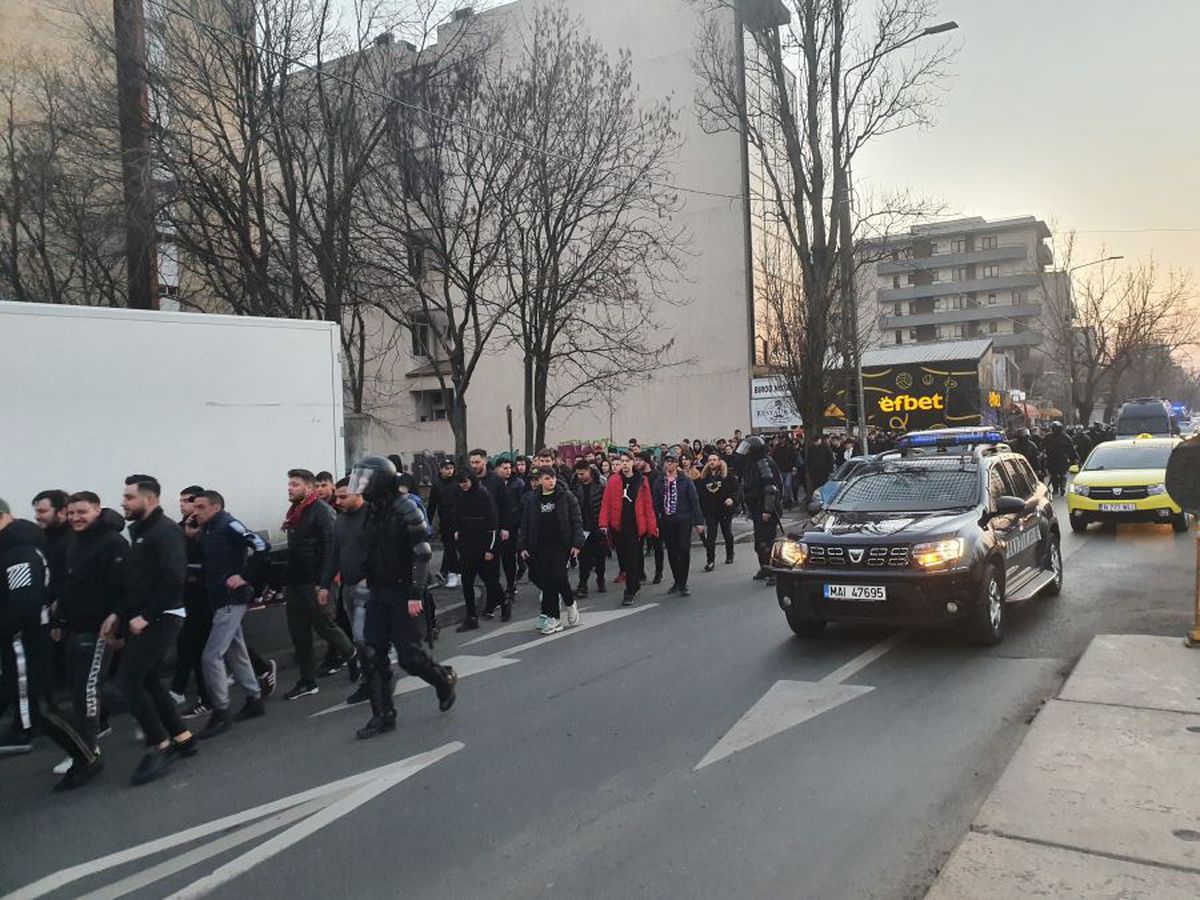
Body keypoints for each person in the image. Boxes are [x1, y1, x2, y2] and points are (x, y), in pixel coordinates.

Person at [0, 497, 107, 790]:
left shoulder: (18, 552)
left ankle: (85, 757)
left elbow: (25, 605)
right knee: (36, 706)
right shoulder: (12, 548)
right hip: (20, 641)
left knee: (39, 708)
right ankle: (85, 756)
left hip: (23, 642)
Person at [347, 456, 457, 740]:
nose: (361, 483)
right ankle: (383, 715)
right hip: (377, 589)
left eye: (366, 477)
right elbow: (371, 548)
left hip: (402, 591)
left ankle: (442, 679)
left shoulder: (406, 507)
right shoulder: (372, 510)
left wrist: (415, 593)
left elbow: (422, 553)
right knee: (372, 653)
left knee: (409, 657)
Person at [103, 475, 198, 785]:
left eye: (129, 497)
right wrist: (119, 613)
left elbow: (173, 577)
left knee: (128, 680)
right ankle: (183, 738)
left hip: (164, 615)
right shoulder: (140, 531)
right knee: (148, 678)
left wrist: (147, 615)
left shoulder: (165, 531)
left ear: (150, 499)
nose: (123, 503)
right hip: (141, 616)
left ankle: (160, 744)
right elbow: (137, 580)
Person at [46, 492, 127, 781]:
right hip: (74, 627)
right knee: (81, 688)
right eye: (71, 513)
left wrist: (117, 617)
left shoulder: (112, 542)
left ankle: (86, 750)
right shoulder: (72, 541)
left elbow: (125, 586)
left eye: (82, 512)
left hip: (99, 629)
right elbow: (66, 584)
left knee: (86, 690)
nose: (76, 518)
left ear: (96, 510)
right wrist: (59, 620)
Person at [192, 491, 270, 739]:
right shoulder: (209, 530)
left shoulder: (228, 524)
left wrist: (245, 575)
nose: (196, 511)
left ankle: (221, 711)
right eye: (195, 507)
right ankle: (254, 697)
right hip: (219, 598)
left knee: (211, 656)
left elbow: (260, 545)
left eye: (201, 507)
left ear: (216, 507)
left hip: (230, 599)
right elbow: (213, 563)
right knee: (236, 650)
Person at [281, 468, 356, 701]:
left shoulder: (321, 512)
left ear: (309, 488)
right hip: (295, 581)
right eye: (289, 484)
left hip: (314, 581)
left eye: (295, 484)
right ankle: (307, 680)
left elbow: (330, 547)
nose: (290, 488)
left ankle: (355, 658)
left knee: (325, 626)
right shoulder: (295, 512)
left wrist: (323, 582)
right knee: (299, 632)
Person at [321, 477, 372, 706]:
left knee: (362, 637)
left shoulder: (374, 516)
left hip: (369, 586)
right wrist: (324, 584)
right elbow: (334, 555)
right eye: (337, 497)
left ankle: (376, 680)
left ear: (358, 494)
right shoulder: (340, 521)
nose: (338, 501)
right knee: (358, 636)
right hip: (348, 586)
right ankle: (369, 681)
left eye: (343, 497)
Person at [519, 466, 585, 634]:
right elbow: (525, 524)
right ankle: (553, 617)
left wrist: (577, 543)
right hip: (540, 546)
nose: (551, 481)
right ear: (539, 480)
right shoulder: (532, 499)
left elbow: (576, 520)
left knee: (558, 576)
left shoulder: (566, 496)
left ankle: (567, 607)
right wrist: (523, 545)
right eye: (547, 478)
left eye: (553, 478)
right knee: (547, 582)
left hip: (561, 544)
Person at [170, 485, 214, 718]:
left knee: (204, 648)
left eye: (190, 501)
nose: (183, 505)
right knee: (191, 646)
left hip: (207, 596)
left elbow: (211, 561)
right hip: (186, 597)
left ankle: (208, 699)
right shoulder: (179, 529)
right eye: (182, 500)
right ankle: (187, 691)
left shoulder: (210, 529)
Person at [599, 451, 658, 607]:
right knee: (624, 558)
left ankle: (630, 590)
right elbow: (606, 503)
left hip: (635, 526)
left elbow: (648, 505)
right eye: (622, 461)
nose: (624, 464)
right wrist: (603, 524)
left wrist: (652, 527)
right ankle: (635, 583)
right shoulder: (613, 480)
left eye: (627, 461)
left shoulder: (641, 480)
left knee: (632, 558)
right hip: (618, 525)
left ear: (633, 463)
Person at [453, 464, 506, 631]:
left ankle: (504, 603)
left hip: (483, 546)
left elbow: (492, 524)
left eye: (465, 482)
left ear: (471, 480)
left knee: (490, 581)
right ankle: (471, 617)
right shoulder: (460, 495)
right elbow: (457, 517)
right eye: (460, 483)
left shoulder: (483, 495)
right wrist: (457, 532)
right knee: (467, 582)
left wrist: (490, 549)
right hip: (467, 546)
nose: (463, 485)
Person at [653, 453, 705, 596]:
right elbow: (655, 503)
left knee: (683, 548)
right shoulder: (659, 481)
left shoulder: (686, 481)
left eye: (671, 462)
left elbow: (694, 502)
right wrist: (656, 523)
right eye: (666, 462)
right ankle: (677, 581)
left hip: (683, 519)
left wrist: (699, 522)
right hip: (667, 521)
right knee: (672, 550)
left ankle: (683, 581)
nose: (668, 465)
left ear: (676, 464)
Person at [737, 436, 784, 584]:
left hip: (766, 509)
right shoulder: (752, 463)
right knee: (759, 542)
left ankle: (774, 572)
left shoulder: (764, 463)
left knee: (766, 542)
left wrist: (767, 510)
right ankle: (765, 568)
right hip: (757, 508)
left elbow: (770, 488)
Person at [571, 459, 608, 597]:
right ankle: (583, 584)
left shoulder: (601, 483)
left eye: (582, 474)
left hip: (598, 525)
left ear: (589, 470)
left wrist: (604, 523)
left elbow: (606, 503)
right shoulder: (574, 483)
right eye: (578, 474)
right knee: (584, 557)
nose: (580, 476)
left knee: (600, 556)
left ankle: (600, 579)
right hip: (582, 526)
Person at [699, 452, 740, 571]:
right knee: (711, 536)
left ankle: (730, 553)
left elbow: (737, 489)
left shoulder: (727, 476)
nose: (712, 462)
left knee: (727, 532)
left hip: (725, 510)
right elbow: (701, 494)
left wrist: (732, 499)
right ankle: (710, 560)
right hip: (711, 511)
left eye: (714, 460)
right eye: (710, 460)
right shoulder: (705, 478)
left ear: (719, 461)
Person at [493, 457, 526, 602]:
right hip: (494, 525)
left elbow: (522, 504)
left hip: (511, 526)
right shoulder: (492, 483)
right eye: (504, 468)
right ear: (497, 469)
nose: (507, 471)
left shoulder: (517, 483)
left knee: (508, 558)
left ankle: (511, 586)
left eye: (508, 468)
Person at [427, 458, 462, 590]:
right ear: (441, 469)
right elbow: (432, 505)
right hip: (445, 521)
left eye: (451, 468)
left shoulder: (458, 483)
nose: (449, 471)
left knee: (460, 548)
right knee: (449, 548)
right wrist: (428, 522)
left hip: (459, 520)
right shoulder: (437, 485)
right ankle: (452, 573)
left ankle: (459, 572)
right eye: (446, 468)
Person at [637, 450, 665, 585]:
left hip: (655, 514)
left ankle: (659, 572)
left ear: (646, 461)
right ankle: (641, 573)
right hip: (640, 515)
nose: (637, 463)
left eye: (639, 460)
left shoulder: (657, 476)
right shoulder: (637, 476)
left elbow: (661, 496)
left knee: (657, 546)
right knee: (638, 546)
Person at [1042, 422, 1080, 498]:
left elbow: (1071, 449)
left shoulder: (1065, 437)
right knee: (1054, 475)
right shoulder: (1048, 437)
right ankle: (1056, 488)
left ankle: (1061, 488)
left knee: (1062, 474)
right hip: (1052, 459)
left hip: (1062, 459)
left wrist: (1075, 458)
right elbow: (1043, 448)